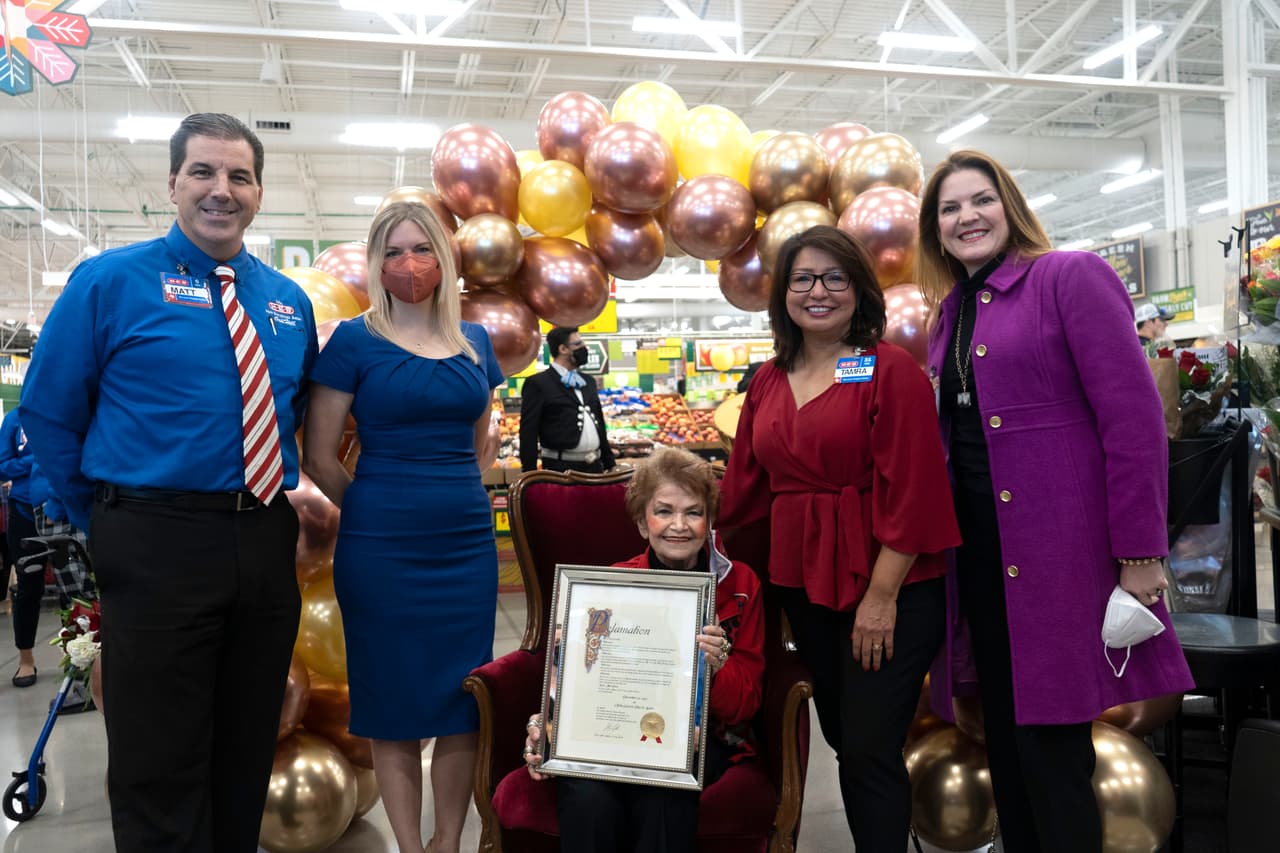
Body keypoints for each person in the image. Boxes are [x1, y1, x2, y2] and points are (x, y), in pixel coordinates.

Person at [19, 112, 318, 853]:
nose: (222, 190)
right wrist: (108, 519)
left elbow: (296, 419)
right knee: (160, 756)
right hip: (153, 539)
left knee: (248, 742)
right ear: (173, 184)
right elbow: (50, 415)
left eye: (239, 176)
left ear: (258, 191)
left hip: (262, 535)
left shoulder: (287, 303)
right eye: (204, 173)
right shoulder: (110, 282)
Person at [916, 149, 1195, 853]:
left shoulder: (1068, 277)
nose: (966, 216)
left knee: (1053, 748)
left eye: (980, 199)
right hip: (979, 563)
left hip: (1059, 559)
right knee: (1004, 742)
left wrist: (1138, 552)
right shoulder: (949, 314)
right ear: (935, 229)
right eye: (949, 207)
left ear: (1008, 205)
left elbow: (1132, 421)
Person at [718, 225, 961, 850]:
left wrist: (881, 599)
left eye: (835, 278)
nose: (818, 291)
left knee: (869, 746)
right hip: (805, 586)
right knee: (843, 737)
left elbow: (915, 492)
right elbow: (745, 491)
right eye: (803, 278)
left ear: (858, 289)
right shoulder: (768, 381)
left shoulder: (890, 369)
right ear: (783, 294)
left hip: (891, 586)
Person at [303, 200, 505, 853]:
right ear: (375, 262)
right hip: (380, 549)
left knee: (460, 699)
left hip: (466, 547)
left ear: (443, 261)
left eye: (421, 249)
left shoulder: (475, 343)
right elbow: (320, 455)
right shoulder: (354, 342)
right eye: (392, 252)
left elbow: (480, 445)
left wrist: (457, 492)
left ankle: (447, 841)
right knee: (391, 706)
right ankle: (412, 849)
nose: (408, 263)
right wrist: (371, 504)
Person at [522, 446, 764, 853]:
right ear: (641, 522)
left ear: (710, 522)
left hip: (702, 743)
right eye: (664, 511)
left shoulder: (740, 585)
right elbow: (580, 683)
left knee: (664, 795)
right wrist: (547, 727)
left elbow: (745, 706)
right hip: (613, 737)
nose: (679, 526)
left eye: (693, 512)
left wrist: (715, 668)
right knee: (586, 795)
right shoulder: (611, 586)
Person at [519, 326, 615, 474]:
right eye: (578, 344)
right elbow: (528, 432)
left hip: (595, 468)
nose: (584, 348)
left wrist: (610, 463)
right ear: (563, 349)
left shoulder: (588, 381)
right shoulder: (539, 383)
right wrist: (529, 473)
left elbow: (600, 423)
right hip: (560, 470)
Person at [0, 407, 42, 687]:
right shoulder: (14, 419)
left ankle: (79, 659)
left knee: (73, 590)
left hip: (60, 510)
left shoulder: (63, 409)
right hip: (24, 511)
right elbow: (2, 465)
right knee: (29, 587)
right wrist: (34, 461)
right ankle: (26, 660)